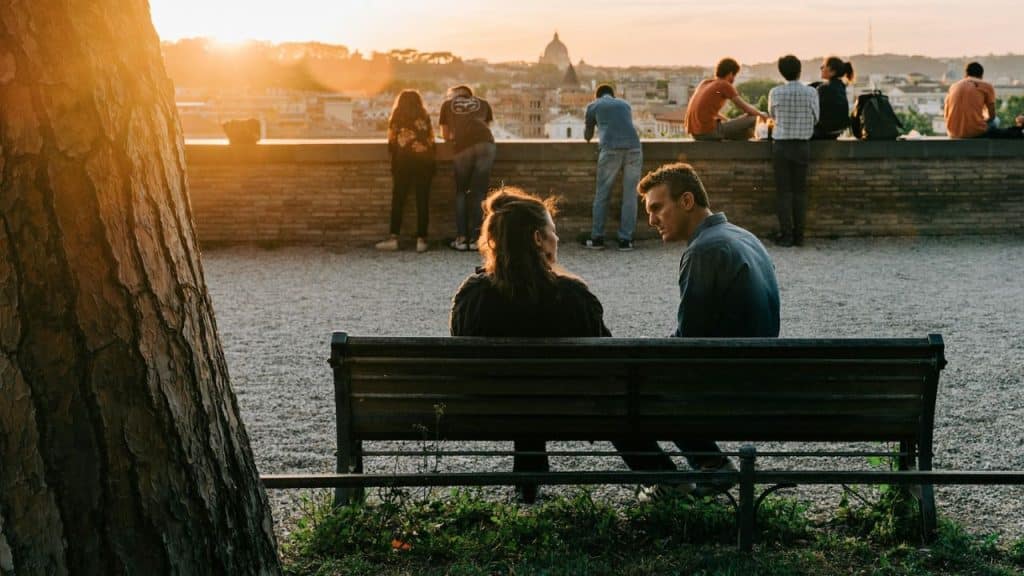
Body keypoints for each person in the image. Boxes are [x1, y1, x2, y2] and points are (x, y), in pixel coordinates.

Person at [625, 162, 780, 498]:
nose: (651, 220)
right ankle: (710, 465)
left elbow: (688, 343)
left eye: (656, 208)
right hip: (760, 373)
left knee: (641, 386)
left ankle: (699, 471)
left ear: (686, 202)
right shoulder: (742, 236)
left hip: (731, 387)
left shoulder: (704, 250)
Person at [449, 186, 610, 502]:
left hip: (487, 408)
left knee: (519, 386)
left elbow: (460, 353)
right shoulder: (575, 297)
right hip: (568, 408)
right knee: (538, 385)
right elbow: (606, 358)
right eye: (553, 231)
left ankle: (528, 475)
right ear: (538, 238)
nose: (558, 238)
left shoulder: (473, 295)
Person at [582, 84, 643, 251]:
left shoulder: (594, 106)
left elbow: (587, 135)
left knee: (602, 194)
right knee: (630, 196)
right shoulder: (625, 105)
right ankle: (625, 240)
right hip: (634, 149)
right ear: (613, 95)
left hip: (611, 149)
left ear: (597, 95)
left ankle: (597, 238)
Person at [376, 90, 436, 253]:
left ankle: (394, 238)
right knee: (422, 200)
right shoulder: (424, 117)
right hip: (423, 162)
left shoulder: (397, 117)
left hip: (403, 162)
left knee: (398, 200)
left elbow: (391, 142)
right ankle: (421, 241)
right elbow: (431, 140)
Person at [768, 55, 819, 247]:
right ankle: (800, 236)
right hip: (802, 145)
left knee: (783, 192)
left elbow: (772, 116)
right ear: (800, 71)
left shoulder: (775, 92)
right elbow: (816, 117)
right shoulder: (812, 92)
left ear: (782, 72)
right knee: (800, 192)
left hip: (781, 145)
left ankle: (786, 235)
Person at [440, 85, 496, 251]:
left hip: (463, 147)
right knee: (479, 193)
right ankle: (476, 240)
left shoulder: (447, 104)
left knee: (461, 192)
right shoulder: (484, 103)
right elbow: (486, 127)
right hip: (486, 145)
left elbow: (445, 135)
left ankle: (461, 238)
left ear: (455, 94)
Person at [686, 58, 768, 141]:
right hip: (709, 132)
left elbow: (710, 111)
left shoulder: (705, 83)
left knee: (744, 132)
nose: (734, 79)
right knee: (755, 118)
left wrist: (729, 121)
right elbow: (746, 108)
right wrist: (762, 115)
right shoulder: (724, 85)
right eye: (734, 76)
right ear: (730, 74)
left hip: (695, 134)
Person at [945, 62, 997, 139]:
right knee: (996, 121)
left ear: (966, 75)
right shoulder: (986, 86)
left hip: (952, 132)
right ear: (981, 75)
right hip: (975, 132)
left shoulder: (954, 86)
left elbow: (946, 113)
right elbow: (992, 115)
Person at [812, 56, 854, 140]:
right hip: (838, 131)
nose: (821, 68)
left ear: (832, 72)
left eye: (824, 66)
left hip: (823, 132)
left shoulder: (823, 88)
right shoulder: (841, 87)